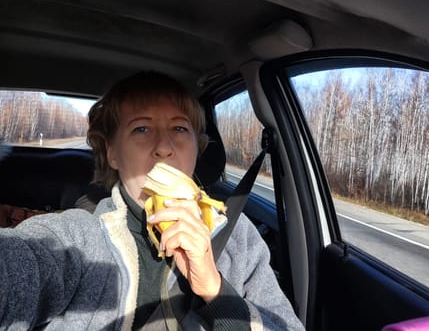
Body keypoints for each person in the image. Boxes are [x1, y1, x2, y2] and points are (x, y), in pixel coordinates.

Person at [0, 71, 305, 330]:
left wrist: (215, 290)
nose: (164, 147)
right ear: (113, 153)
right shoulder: (74, 238)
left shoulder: (240, 239)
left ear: (197, 149)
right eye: (142, 128)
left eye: (179, 128)